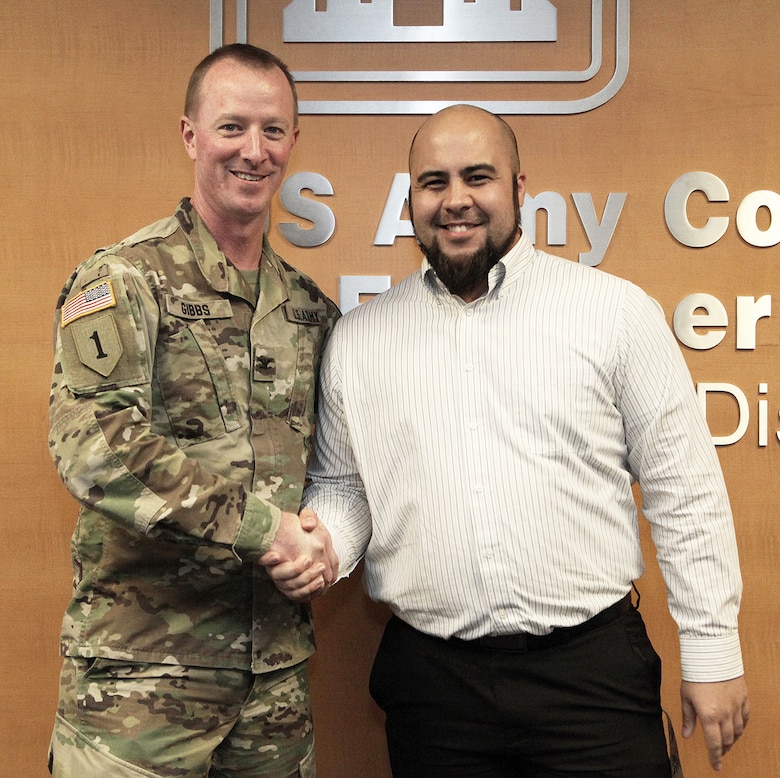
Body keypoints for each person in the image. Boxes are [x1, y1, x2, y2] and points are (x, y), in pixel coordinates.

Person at [264, 105, 750, 776]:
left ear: (520, 189)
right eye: (433, 181)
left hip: (591, 681)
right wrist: (323, 548)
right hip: (435, 690)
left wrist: (713, 649)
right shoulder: (361, 340)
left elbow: (684, 488)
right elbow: (347, 488)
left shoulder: (613, 313)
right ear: (410, 200)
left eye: (478, 177)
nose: (455, 199)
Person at [47, 43, 339, 778]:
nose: (254, 150)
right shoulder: (122, 280)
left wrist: (329, 538)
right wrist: (260, 526)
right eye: (232, 127)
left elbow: (340, 463)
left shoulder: (308, 309)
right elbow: (94, 443)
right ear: (190, 135)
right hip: (141, 683)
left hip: (271, 684)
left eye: (273, 130)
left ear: (293, 142)